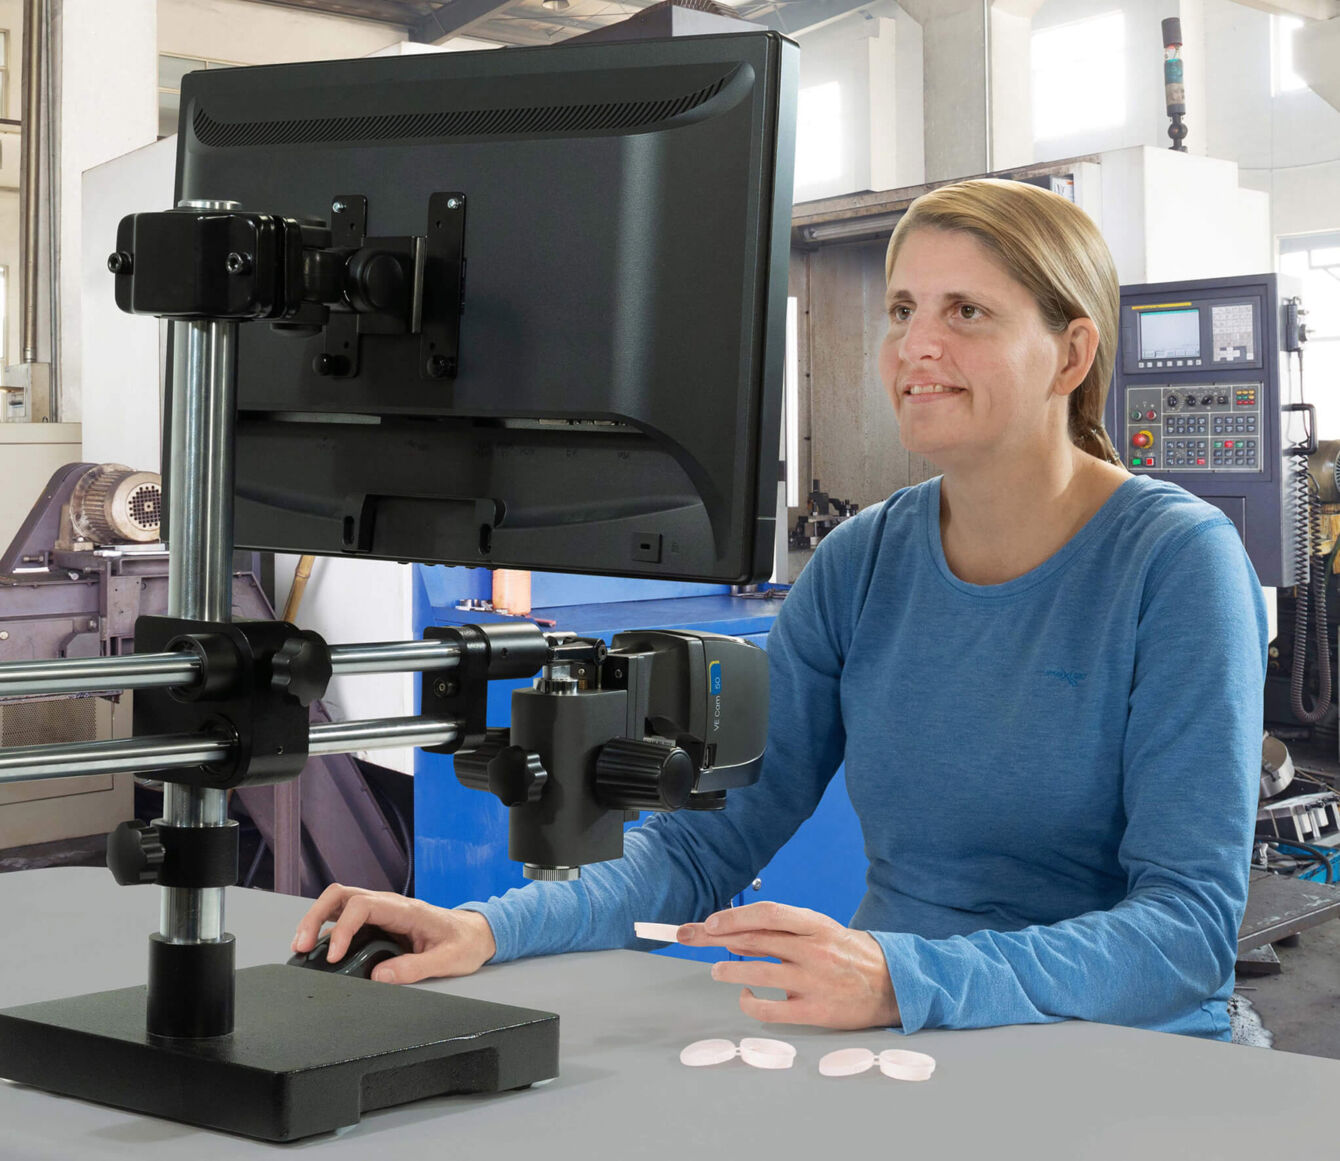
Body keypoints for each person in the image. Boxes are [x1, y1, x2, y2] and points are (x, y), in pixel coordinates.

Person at [292, 179, 1267, 1040]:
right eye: (899, 309)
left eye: (965, 310)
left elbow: (1183, 932)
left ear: (1069, 354)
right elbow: (706, 844)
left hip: (1119, 1054)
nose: (915, 347)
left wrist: (902, 976)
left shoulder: (1171, 564)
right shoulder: (863, 563)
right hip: (908, 1047)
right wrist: (487, 927)